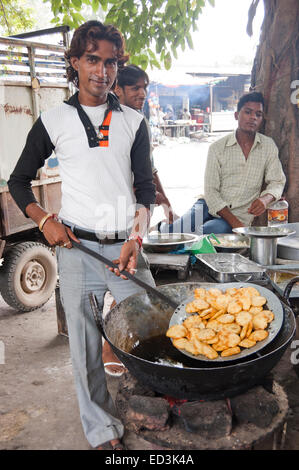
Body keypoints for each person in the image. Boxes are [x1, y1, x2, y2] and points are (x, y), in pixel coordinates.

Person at [8, 20, 156, 451]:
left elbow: (145, 190)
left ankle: (155, 404)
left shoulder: (133, 121)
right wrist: (43, 220)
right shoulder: (53, 120)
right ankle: (100, 428)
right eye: (92, 59)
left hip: (126, 248)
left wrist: (138, 236)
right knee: (86, 347)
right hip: (76, 250)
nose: (103, 71)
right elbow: (19, 182)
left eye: (111, 62)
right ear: (75, 63)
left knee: (151, 330)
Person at [98, 64, 178, 377]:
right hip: (109, 218)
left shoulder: (137, 122)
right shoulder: (107, 123)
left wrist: (164, 196)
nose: (142, 94)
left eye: (145, 87)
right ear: (117, 90)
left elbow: (150, 169)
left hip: (134, 218)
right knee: (127, 279)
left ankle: (118, 340)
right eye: (135, 88)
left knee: (131, 275)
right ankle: (109, 343)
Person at [158, 92, 286, 235]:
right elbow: (211, 192)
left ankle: (191, 229)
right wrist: (237, 226)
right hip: (207, 205)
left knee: (210, 232)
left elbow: (277, 181)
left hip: (235, 214)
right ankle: (164, 228)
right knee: (173, 235)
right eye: (248, 112)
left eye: (258, 114)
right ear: (237, 115)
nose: (253, 118)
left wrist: (265, 199)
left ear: (262, 119)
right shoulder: (217, 148)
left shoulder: (268, 146)